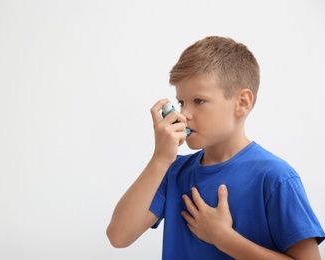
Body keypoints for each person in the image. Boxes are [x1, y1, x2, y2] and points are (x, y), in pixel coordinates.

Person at [106, 36, 325, 259]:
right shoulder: (173, 171)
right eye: (181, 102)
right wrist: (160, 159)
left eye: (199, 101)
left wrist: (223, 238)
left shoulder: (275, 177)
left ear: (242, 103)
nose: (184, 113)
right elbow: (118, 237)